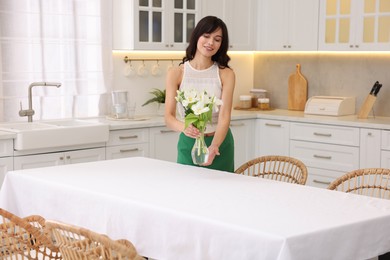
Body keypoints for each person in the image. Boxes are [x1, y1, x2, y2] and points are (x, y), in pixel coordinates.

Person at [165, 16, 235, 172]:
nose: (211, 42)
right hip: (189, 143)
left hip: (219, 144)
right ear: (197, 36)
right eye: (206, 36)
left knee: (224, 193)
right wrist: (184, 127)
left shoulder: (226, 74)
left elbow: (224, 117)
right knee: (187, 191)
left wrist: (214, 146)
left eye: (217, 39)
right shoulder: (176, 73)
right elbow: (168, 117)